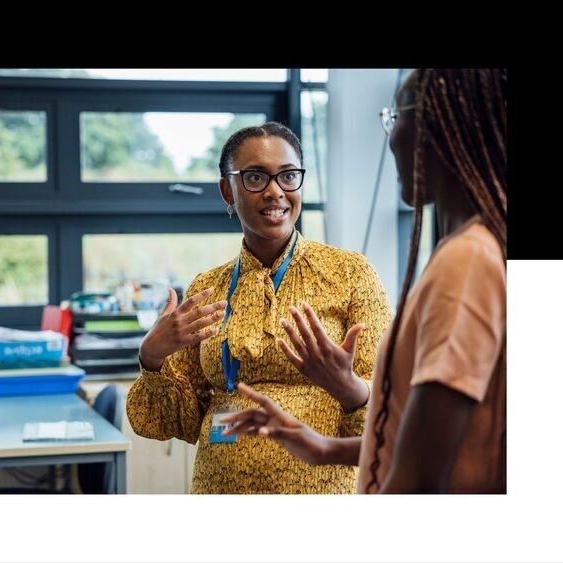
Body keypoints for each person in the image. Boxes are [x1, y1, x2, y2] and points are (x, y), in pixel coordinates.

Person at [222, 69, 507, 493]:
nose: (390, 138)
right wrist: (324, 448)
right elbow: (424, 438)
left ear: (439, 128)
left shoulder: (467, 262)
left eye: (395, 117)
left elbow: (420, 478)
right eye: (256, 178)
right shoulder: (471, 249)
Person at [126, 122, 392, 493]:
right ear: (227, 191)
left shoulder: (350, 274)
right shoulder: (207, 288)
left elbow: (389, 422)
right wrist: (151, 357)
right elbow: (179, 422)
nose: (274, 192)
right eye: (255, 177)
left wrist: (350, 387)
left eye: (288, 177)